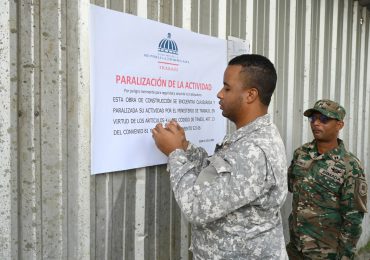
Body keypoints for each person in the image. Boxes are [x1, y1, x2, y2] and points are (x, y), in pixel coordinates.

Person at [152, 54, 288, 259]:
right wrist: (186, 147)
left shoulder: (253, 150)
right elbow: (218, 175)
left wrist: (175, 153)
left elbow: (197, 207)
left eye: (227, 88)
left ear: (250, 95)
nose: (219, 94)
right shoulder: (250, 136)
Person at [286, 99, 368, 259]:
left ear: (339, 125)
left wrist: (344, 256)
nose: (316, 123)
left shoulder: (350, 165)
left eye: (324, 119)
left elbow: (353, 218)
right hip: (296, 248)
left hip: (326, 253)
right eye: (313, 118)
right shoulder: (301, 153)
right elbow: (291, 186)